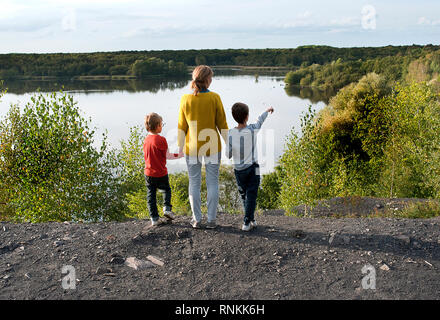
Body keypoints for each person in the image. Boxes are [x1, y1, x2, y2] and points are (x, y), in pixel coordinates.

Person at [178, 65, 228, 229]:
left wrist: (179, 146)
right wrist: (229, 144)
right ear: (207, 80)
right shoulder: (215, 97)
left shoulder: (185, 99)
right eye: (211, 77)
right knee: (212, 183)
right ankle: (211, 220)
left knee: (194, 182)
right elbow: (222, 124)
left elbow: (181, 125)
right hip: (212, 145)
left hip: (192, 147)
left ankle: (197, 219)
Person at [227, 102, 274, 231]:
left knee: (244, 195)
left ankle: (251, 218)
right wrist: (267, 110)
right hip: (254, 167)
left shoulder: (230, 133)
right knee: (252, 194)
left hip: (238, 169)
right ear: (247, 117)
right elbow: (260, 120)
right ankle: (246, 221)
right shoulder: (252, 129)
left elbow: (228, 154)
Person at [144, 112, 183, 226]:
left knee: (151, 195)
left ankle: (154, 219)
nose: (162, 126)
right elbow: (167, 155)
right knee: (166, 190)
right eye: (161, 124)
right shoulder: (161, 140)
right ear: (157, 126)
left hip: (148, 173)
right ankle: (166, 208)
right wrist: (179, 155)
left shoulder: (146, 140)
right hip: (160, 173)